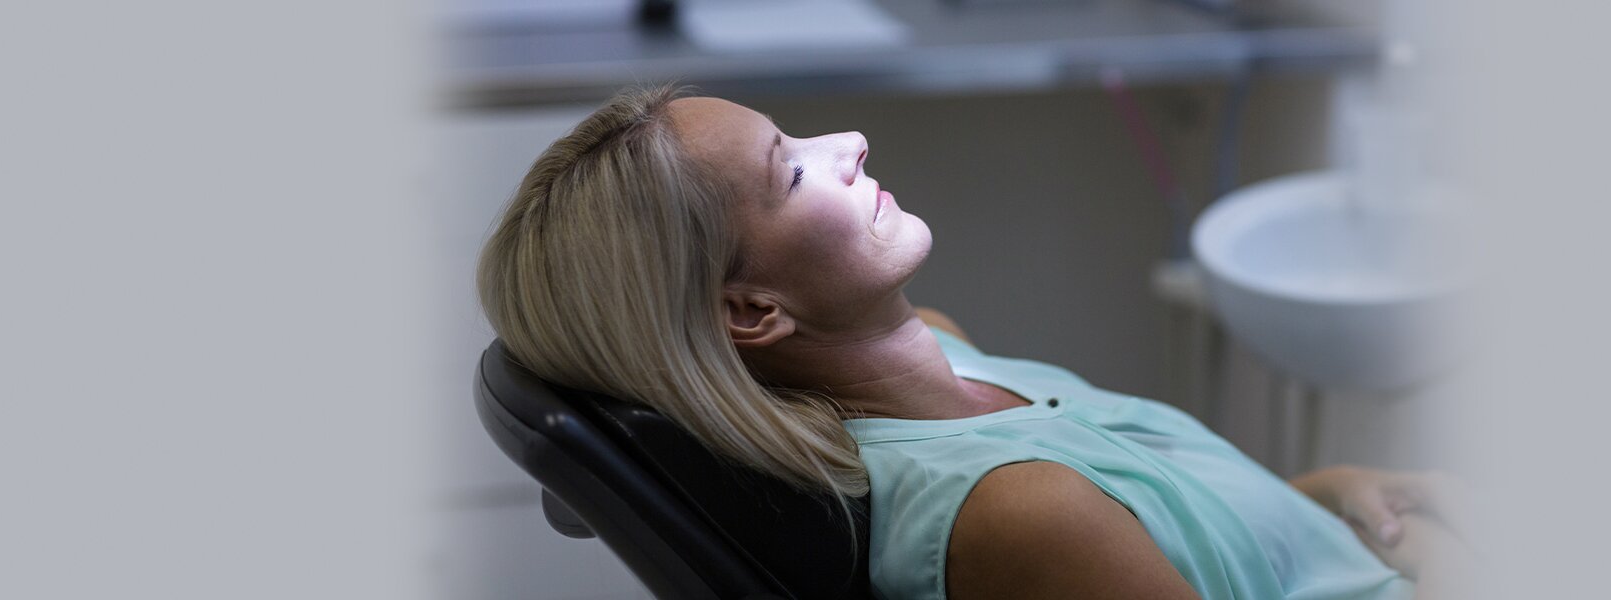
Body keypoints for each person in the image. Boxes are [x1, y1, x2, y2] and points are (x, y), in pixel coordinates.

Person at [476, 83, 1474, 599]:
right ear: (751, 314)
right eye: (793, 172)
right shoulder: (1015, 513)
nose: (851, 142)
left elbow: (1166, 551)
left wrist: (1323, 500)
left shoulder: (948, 358)